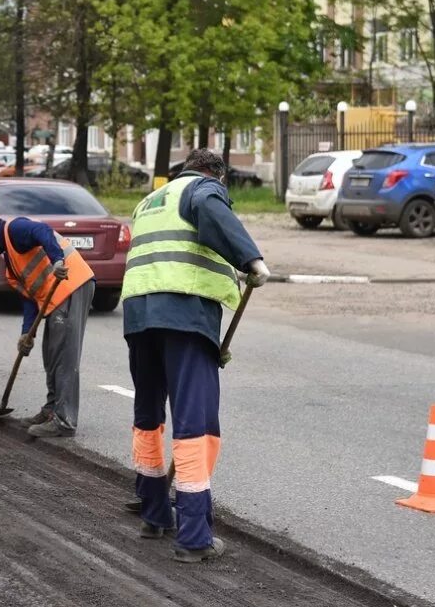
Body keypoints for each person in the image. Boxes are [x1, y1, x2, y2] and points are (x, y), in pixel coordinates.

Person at [122, 147, 269, 562]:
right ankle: (194, 538)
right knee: (196, 422)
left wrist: (234, 271)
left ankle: (154, 515)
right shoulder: (203, 189)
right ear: (217, 175)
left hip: (139, 314)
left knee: (148, 415)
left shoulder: (150, 201)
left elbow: (179, 247)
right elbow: (209, 210)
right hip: (184, 314)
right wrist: (252, 260)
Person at [0, 210, 95, 437]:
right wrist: (27, 333)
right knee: (51, 353)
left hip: (71, 284)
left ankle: (64, 420)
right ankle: (51, 410)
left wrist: (58, 260)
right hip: (56, 297)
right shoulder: (10, 259)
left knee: (64, 356)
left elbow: (43, 231)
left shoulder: (14, 229)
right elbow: (29, 296)